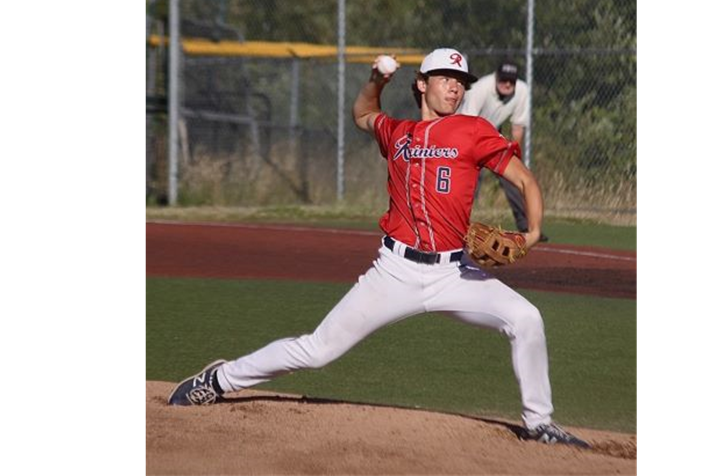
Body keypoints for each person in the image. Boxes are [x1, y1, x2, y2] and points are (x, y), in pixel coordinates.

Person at [168, 47, 588, 448]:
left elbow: (526, 181)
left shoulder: (474, 131)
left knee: (526, 318)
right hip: (395, 272)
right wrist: (376, 79)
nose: (455, 87)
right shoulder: (397, 133)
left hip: (454, 273)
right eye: (445, 78)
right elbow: (364, 113)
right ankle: (219, 380)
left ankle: (539, 423)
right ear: (422, 84)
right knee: (317, 350)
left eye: (461, 80)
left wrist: (531, 234)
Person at [458, 61, 548, 242]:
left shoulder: (521, 90)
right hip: (464, 132)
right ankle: (456, 225)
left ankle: (526, 226)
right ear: (496, 78)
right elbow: (465, 122)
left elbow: (517, 127)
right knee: (467, 181)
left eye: (511, 81)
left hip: (491, 132)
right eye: (504, 80)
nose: (508, 84)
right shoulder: (480, 88)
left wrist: (514, 158)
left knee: (514, 178)